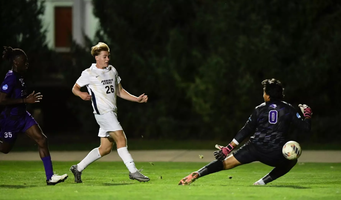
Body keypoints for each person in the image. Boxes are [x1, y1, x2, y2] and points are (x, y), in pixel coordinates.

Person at [179, 78, 312, 185]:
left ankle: (198, 173)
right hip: (275, 152)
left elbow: (246, 130)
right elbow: (305, 128)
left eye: (264, 92)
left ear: (268, 95)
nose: (263, 94)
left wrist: (228, 148)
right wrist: (307, 116)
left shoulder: (259, 109)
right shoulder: (288, 109)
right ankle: (261, 183)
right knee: (291, 160)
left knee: (225, 164)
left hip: (254, 148)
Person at [70, 42, 150, 183]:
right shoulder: (88, 73)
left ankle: (78, 168)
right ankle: (133, 171)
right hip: (102, 113)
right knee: (121, 138)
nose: (108, 59)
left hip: (111, 112)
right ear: (96, 57)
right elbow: (75, 88)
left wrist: (136, 99)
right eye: (105, 56)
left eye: (108, 56)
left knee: (106, 148)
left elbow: (119, 91)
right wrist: (81, 94)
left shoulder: (112, 70)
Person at [0, 46, 68, 185]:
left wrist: (25, 101)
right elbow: (2, 100)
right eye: (24, 62)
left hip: (22, 116)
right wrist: (25, 100)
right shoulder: (10, 78)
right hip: (11, 120)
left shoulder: (20, 77)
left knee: (42, 140)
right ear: (15, 62)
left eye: (27, 61)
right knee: (5, 149)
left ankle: (50, 177)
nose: (26, 64)